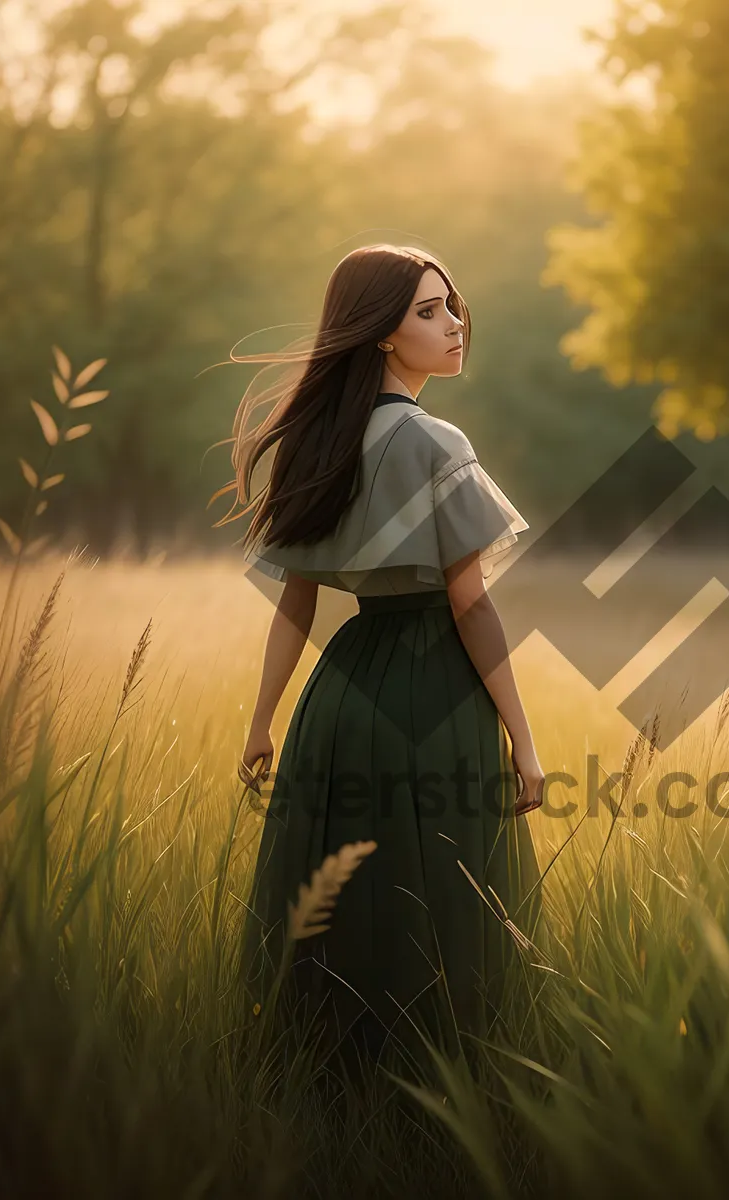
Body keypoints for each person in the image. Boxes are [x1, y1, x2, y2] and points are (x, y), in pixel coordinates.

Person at [220, 244, 544, 1066]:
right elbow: (469, 602)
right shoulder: (436, 441)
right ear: (378, 336)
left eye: (453, 305)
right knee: (443, 892)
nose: (454, 323)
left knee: (342, 900)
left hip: (339, 693)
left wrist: (262, 722)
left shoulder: (321, 444)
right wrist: (526, 741)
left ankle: (325, 1072)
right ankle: (448, 1076)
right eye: (428, 311)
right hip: (434, 685)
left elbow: (296, 600)